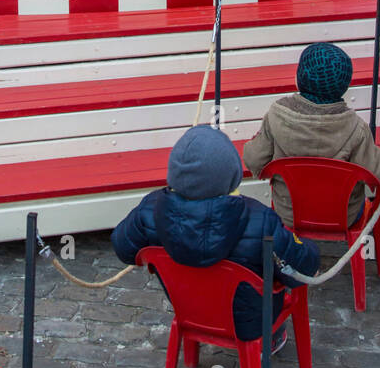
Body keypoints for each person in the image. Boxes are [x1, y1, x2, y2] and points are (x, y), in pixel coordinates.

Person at [111, 124, 319, 348]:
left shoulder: (149, 210)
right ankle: (272, 341)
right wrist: (309, 247)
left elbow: (123, 249)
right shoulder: (261, 220)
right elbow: (303, 268)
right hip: (249, 324)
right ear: (231, 175)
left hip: (188, 311)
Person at [243, 41, 380, 226]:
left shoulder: (276, 115)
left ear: (299, 78)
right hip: (342, 216)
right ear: (345, 86)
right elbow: (379, 171)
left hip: (289, 213)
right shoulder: (356, 128)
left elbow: (253, 159)